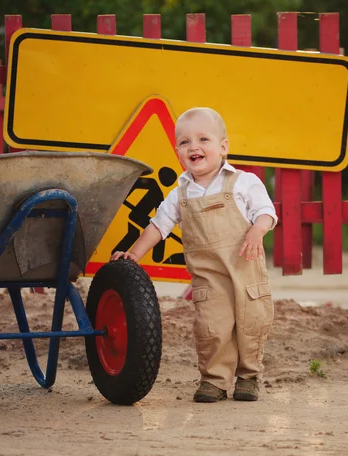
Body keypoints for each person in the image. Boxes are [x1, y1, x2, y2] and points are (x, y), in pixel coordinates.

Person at [111, 107, 277, 403]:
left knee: (251, 323)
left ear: (223, 147)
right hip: (209, 277)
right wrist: (134, 253)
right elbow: (158, 226)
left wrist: (256, 231)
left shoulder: (243, 182)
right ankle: (214, 379)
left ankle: (249, 376)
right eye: (185, 142)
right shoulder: (181, 193)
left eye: (203, 139)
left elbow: (266, 212)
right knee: (212, 327)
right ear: (177, 151)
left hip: (245, 270)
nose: (194, 147)